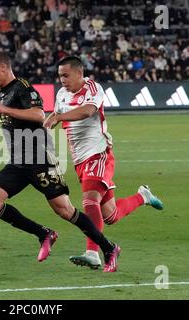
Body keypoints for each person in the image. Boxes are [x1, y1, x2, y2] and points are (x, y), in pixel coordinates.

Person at [0, 51, 121, 272]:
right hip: (18, 162)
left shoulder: (22, 87)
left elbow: (38, 114)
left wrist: (5, 109)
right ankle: (44, 233)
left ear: (3, 68)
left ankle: (109, 248)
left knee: (65, 210)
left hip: (39, 161)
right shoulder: (3, 92)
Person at [44, 56, 164, 269]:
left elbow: (88, 111)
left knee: (89, 201)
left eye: (66, 75)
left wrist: (59, 118)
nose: (61, 79)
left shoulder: (92, 88)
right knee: (110, 215)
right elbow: (57, 114)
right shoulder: (62, 94)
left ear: (79, 74)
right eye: (59, 75)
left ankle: (93, 253)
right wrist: (48, 122)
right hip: (80, 159)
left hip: (98, 153)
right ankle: (143, 196)